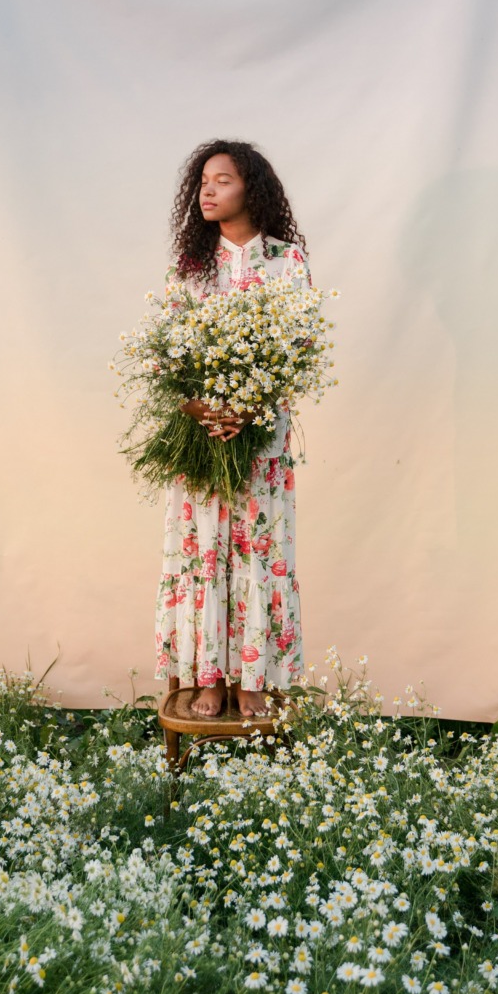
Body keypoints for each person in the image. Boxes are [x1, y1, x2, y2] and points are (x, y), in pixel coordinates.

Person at [154, 139, 311, 719]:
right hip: (200, 439)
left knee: (258, 554)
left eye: (222, 180)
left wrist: (246, 412)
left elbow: (297, 348)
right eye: (202, 182)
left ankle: (253, 680)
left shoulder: (285, 262)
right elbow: (167, 356)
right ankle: (210, 676)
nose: (208, 190)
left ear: (253, 187)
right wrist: (205, 413)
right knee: (205, 555)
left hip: (261, 435)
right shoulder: (191, 268)